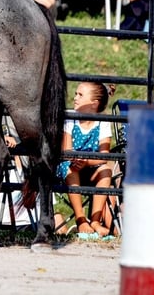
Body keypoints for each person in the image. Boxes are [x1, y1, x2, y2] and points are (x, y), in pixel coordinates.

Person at [56, 82, 116, 238]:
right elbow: (66, 150)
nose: (75, 97)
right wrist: (77, 159)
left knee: (106, 170)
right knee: (71, 168)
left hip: (90, 167)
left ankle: (95, 221)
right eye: (76, 94)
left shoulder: (103, 122)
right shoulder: (70, 117)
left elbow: (104, 155)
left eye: (80, 95)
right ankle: (80, 218)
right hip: (70, 166)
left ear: (94, 104)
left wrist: (87, 161)